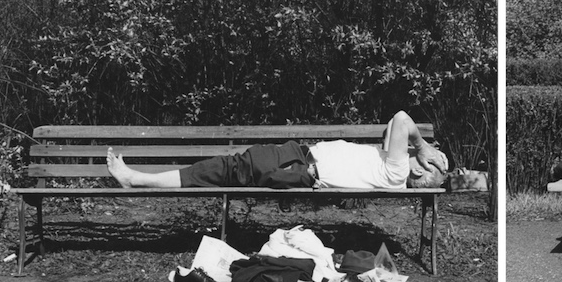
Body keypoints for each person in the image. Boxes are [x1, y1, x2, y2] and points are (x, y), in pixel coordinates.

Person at [105, 111, 451, 189]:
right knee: (223, 169)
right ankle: (136, 178)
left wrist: (420, 146)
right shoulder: (394, 169)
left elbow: (401, 118)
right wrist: (419, 149)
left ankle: (134, 178)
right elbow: (394, 129)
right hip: (296, 160)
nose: (427, 175)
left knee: (223, 170)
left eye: (431, 173)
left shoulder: (400, 169)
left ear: (418, 168)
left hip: (296, 161)